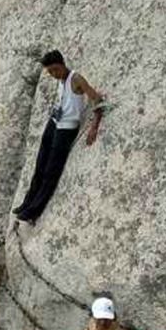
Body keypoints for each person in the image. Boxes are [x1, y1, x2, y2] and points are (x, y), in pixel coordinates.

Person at [13, 50, 104, 224]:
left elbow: (96, 98)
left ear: (62, 63)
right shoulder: (61, 80)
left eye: (55, 69)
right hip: (54, 123)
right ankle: (26, 203)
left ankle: (33, 211)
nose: (54, 74)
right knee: (40, 165)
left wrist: (94, 125)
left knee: (51, 171)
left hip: (66, 130)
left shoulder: (76, 78)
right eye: (50, 72)